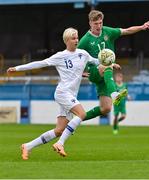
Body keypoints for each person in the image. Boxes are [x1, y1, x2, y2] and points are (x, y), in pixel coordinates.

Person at [7, 27, 107, 159]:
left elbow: (96, 61)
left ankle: (27, 146)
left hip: (71, 95)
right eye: (73, 38)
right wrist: (17, 68)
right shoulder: (60, 56)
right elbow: (40, 64)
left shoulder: (83, 53)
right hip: (63, 92)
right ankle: (60, 144)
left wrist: (112, 64)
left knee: (59, 130)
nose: (76, 40)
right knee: (81, 114)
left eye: (77, 37)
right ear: (66, 40)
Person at [77, 10, 149, 122]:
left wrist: (141, 27)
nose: (99, 26)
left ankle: (76, 120)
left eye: (100, 23)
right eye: (96, 23)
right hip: (94, 71)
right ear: (90, 23)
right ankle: (115, 94)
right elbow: (73, 56)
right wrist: (79, 72)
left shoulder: (108, 31)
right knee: (106, 65)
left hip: (105, 76)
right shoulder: (85, 40)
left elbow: (126, 31)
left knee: (106, 108)